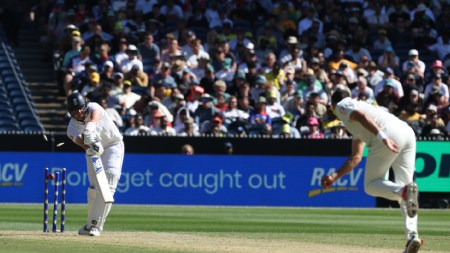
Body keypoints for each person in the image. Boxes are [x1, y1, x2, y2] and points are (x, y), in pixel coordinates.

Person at [321, 89, 421, 253]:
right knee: (407, 195)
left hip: (388, 134)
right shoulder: (357, 123)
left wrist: (383, 137)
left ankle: (403, 191)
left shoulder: (342, 105)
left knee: (371, 186)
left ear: (333, 104)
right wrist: (334, 176)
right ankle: (412, 236)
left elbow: (361, 116)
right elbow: (356, 157)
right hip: (407, 132)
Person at [66, 92, 125, 237]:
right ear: (70, 112)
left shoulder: (94, 107)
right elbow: (82, 143)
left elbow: (95, 118)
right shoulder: (71, 129)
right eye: (74, 110)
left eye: (80, 108)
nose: (78, 112)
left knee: (109, 184)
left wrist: (89, 131)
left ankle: (95, 226)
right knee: (94, 189)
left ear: (85, 105)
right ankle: (90, 225)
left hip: (113, 145)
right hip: (93, 152)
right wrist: (91, 145)